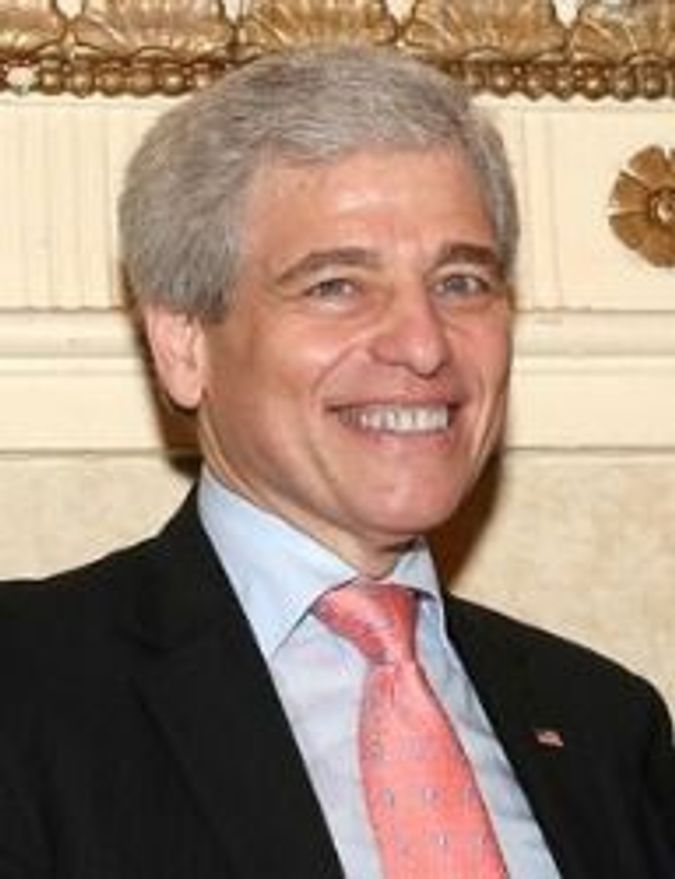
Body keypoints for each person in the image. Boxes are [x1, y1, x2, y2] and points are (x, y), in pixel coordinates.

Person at [0, 46, 673, 879]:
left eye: (460, 282)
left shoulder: (607, 726)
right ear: (183, 343)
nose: (423, 344)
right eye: (335, 286)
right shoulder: (28, 690)